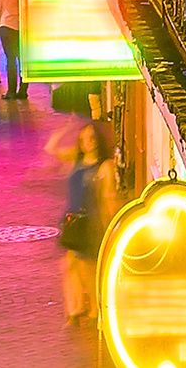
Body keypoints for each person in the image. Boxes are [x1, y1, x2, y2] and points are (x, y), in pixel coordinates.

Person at [56, 118, 120, 324]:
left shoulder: (105, 166)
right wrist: (66, 128)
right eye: (83, 138)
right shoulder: (78, 160)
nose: (88, 142)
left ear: (99, 140)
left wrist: (112, 226)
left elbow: (109, 198)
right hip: (73, 222)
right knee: (70, 266)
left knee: (87, 270)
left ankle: (94, 310)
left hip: (90, 224)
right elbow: (52, 149)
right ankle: (78, 309)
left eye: (92, 138)